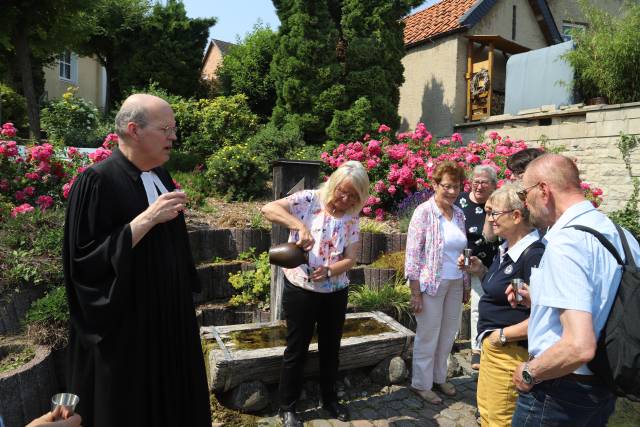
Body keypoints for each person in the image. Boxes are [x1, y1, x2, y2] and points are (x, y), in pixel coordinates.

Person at [63, 94, 211, 427]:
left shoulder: (162, 176)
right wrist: (147, 219)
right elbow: (83, 260)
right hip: (128, 332)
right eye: (167, 129)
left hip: (169, 321)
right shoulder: (96, 181)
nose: (174, 137)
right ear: (134, 130)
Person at [510, 154, 640, 426]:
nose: (525, 202)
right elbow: (603, 302)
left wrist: (529, 373)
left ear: (544, 190)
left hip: (559, 391)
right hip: (602, 384)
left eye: (525, 192)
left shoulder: (566, 242)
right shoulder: (621, 234)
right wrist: (541, 299)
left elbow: (579, 346)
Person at [261, 160, 369, 427]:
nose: (345, 199)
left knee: (331, 348)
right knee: (296, 349)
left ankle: (329, 400)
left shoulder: (352, 215)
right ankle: (288, 407)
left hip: (335, 291)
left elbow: (351, 258)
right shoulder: (309, 200)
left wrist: (332, 270)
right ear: (333, 182)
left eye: (353, 195)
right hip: (302, 289)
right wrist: (299, 226)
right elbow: (268, 208)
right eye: (342, 191)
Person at [460, 183, 544, 426]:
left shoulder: (533, 255)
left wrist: (501, 336)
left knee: (500, 420)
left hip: (511, 352)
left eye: (494, 214)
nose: (489, 220)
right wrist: (481, 270)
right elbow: (503, 293)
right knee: (487, 415)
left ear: (516, 216)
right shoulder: (506, 249)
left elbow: (546, 315)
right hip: (495, 348)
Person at [405, 161, 470, 404]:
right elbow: (413, 253)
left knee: (448, 334)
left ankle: (439, 377)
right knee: (428, 334)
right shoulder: (424, 212)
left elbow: (461, 250)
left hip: (455, 282)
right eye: (447, 186)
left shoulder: (459, 214)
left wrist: (465, 284)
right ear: (434, 184)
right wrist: (415, 292)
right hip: (431, 283)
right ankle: (421, 384)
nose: (453, 191)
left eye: (457, 186)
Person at [455, 165, 499, 369]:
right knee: (453, 303)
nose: (478, 186)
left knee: (479, 305)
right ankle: (448, 342)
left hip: (489, 263)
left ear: (493, 185)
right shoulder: (460, 201)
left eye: (484, 182)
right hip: (459, 261)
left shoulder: (497, 203)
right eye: (475, 181)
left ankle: (477, 349)